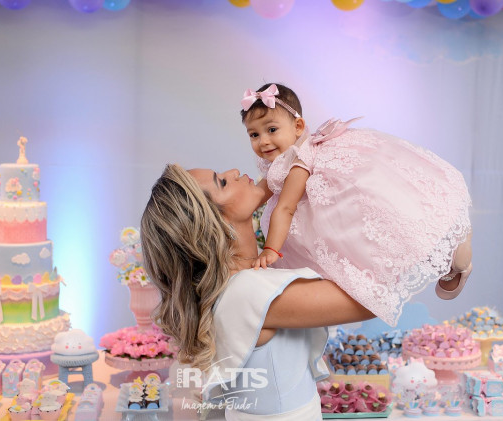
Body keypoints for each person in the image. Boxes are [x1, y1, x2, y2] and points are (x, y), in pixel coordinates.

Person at [140, 164, 375, 420]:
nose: (233, 171)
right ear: (216, 223)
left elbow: (276, 179)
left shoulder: (237, 282)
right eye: (222, 182)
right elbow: (371, 301)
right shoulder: (248, 291)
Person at [240, 83, 473, 327]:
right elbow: (258, 194)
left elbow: (286, 208)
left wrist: (271, 250)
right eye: (254, 135)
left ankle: (457, 258)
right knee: (376, 245)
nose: (263, 141)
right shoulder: (280, 162)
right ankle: (449, 260)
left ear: (298, 126)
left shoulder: (298, 161)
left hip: (338, 207)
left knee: (387, 236)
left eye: (272, 130)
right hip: (330, 217)